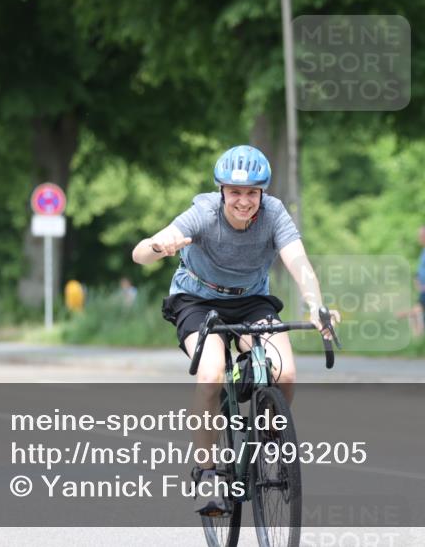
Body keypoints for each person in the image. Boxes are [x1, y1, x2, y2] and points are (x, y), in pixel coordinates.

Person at [131, 145, 339, 515]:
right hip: (197, 301)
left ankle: (268, 437)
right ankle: (207, 472)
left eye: (252, 193)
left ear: (263, 192)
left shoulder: (274, 214)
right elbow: (139, 254)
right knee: (211, 375)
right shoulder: (203, 213)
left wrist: (316, 306)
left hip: (251, 299)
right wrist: (160, 246)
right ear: (222, 191)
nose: (244, 201)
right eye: (235, 192)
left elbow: (298, 262)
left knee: (285, 371)